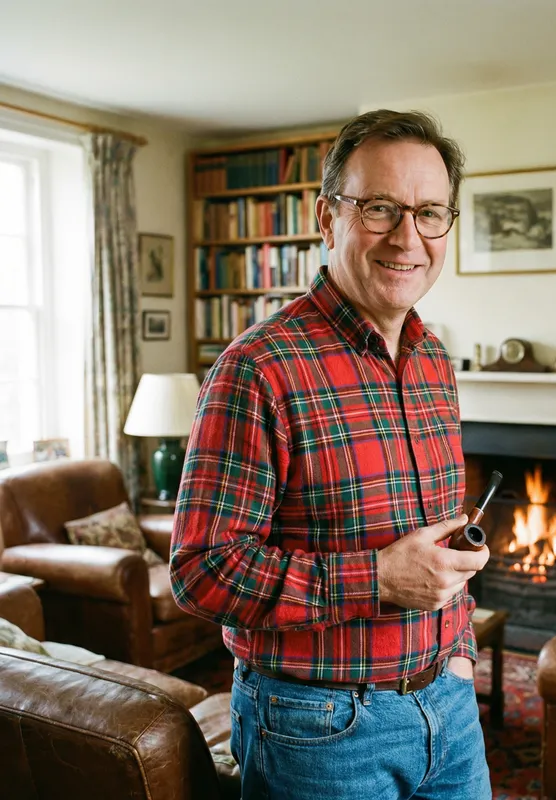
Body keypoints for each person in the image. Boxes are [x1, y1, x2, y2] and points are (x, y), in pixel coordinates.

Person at [170, 109, 492, 800]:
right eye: (380, 208)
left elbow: (433, 539)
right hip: (319, 731)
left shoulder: (434, 360)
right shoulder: (258, 368)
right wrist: (376, 579)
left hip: (450, 708)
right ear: (327, 217)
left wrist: (461, 653)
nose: (407, 237)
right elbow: (201, 571)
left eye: (430, 213)